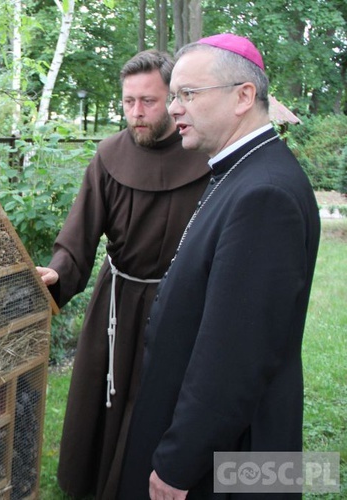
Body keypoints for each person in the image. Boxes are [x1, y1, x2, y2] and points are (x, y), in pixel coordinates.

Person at [118, 34, 320, 499]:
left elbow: (236, 356)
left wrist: (178, 464)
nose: (172, 109)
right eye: (173, 96)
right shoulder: (242, 170)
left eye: (187, 94)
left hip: (232, 456)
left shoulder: (264, 192)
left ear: (243, 97)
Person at [36, 50, 210, 498]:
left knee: (161, 402)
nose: (137, 112)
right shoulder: (109, 155)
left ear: (172, 100)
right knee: (104, 400)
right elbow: (79, 234)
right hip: (116, 302)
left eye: (148, 101)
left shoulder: (205, 158)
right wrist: (58, 273)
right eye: (129, 101)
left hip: (178, 305)